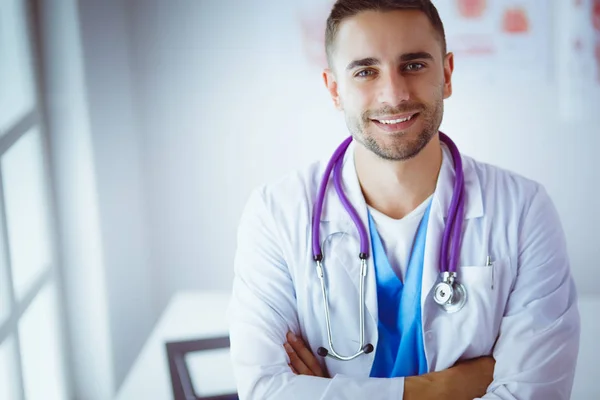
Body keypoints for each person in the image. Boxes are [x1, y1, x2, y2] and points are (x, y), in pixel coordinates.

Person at [227, 1, 581, 399]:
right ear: (334, 89)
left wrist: (334, 392)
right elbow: (265, 391)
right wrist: (443, 388)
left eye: (413, 65)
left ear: (446, 74)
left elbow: (534, 393)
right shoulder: (276, 214)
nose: (393, 95)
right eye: (365, 71)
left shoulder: (523, 211)